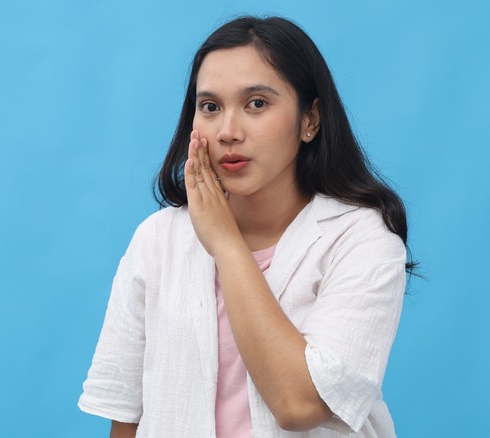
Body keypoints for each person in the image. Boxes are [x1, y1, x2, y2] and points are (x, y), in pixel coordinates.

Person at [78, 15, 415, 437]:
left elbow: (300, 405)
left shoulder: (361, 240)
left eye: (257, 103)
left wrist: (226, 244)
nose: (228, 132)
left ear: (310, 119)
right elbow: (126, 412)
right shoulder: (157, 239)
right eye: (210, 107)